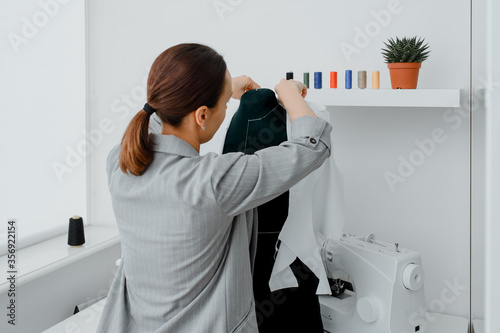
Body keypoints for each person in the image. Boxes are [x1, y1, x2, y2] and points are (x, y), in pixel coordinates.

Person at [96, 43, 332, 332]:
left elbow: (158, 112)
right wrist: (290, 93)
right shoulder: (214, 181)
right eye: (223, 104)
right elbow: (313, 146)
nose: (225, 111)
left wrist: (220, 87)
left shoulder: (119, 162)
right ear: (202, 116)